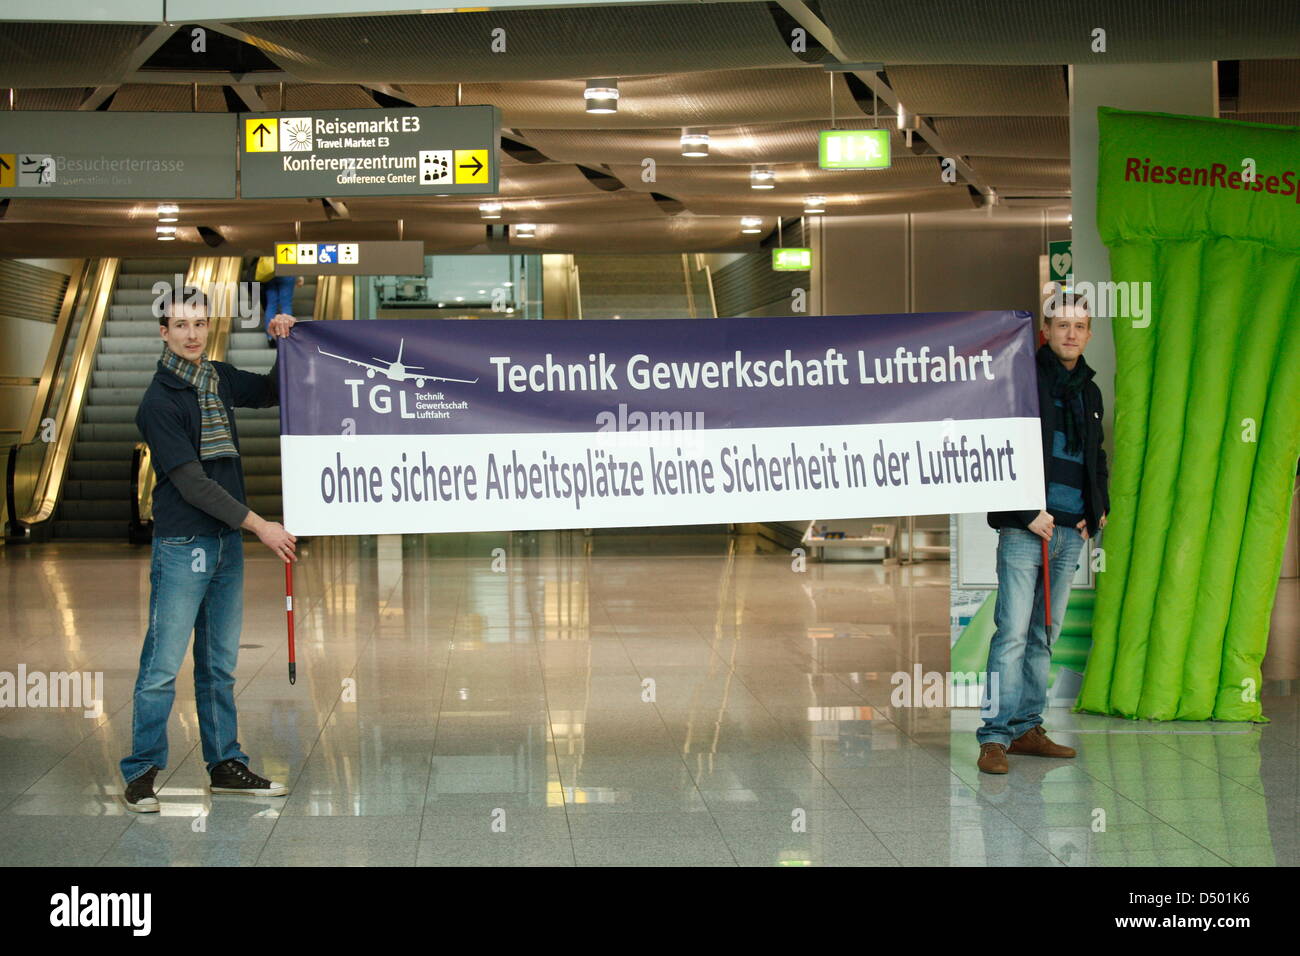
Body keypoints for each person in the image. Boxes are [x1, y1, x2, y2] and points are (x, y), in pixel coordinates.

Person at [120, 287, 299, 811]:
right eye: (180, 326)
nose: (192, 335)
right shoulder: (159, 402)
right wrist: (261, 526)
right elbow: (192, 483)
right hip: (183, 543)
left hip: (224, 543)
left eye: (199, 325)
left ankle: (224, 764)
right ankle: (141, 772)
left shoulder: (217, 378)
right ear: (164, 332)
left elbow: (272, 391)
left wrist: (283, 342)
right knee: (161, 665)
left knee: (218, 664)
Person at [977, 294, 1109, 774]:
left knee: (1044, 635)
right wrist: (1025, 511)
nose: (1071, 333)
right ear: (1046, 332)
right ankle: (993, 737)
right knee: (1010, 633)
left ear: (1088, 334)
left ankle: (1027, 729)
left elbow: (1096, 457)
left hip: (1070, 531)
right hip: (1025, 527)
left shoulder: (1089, 392)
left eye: (1080, 326)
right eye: (1062, 325)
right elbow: (996, 452)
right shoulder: (1022, 382)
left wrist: (1097, 510)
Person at [255, 253, 304, 345]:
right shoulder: (289, 239)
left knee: (271, 303)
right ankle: (285, 335)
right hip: (287, 269)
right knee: (286, 304)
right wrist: (300, 275)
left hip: (269, 271)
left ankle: (270, 337)